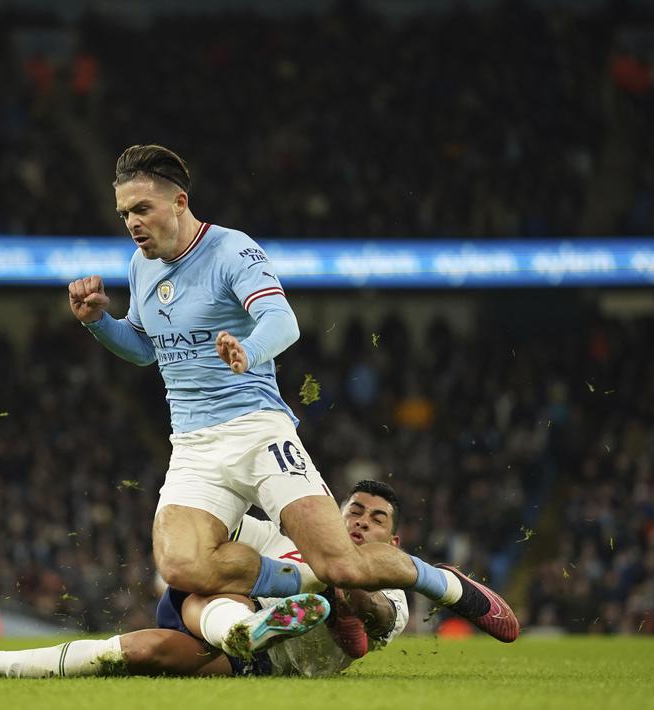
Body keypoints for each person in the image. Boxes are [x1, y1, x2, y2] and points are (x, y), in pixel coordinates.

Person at [67, 145, 517, 642]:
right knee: (181, 566)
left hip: (257, 430)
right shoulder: (141, 266)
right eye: (124, 213)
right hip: (193, 445)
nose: (132, 223)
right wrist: (98, 322)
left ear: (179, 202)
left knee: (342, 564)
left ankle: (442, 582)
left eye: (141, 209)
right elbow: (144, 350)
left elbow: (283, 321)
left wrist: (249, 351)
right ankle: (305, 582)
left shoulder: (232, 250)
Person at [0, 481, 410, 678]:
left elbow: (379, 617)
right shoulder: (281, 538)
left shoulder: (394, 586)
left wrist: (345, 584)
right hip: (222, 612)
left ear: (394, 540)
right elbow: (214, 525)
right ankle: (244, 628)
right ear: (334, 516)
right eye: (354, 510)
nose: (361, 521)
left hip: (259, 664)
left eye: (376, 518)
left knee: (141, 652)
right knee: (222, 562)